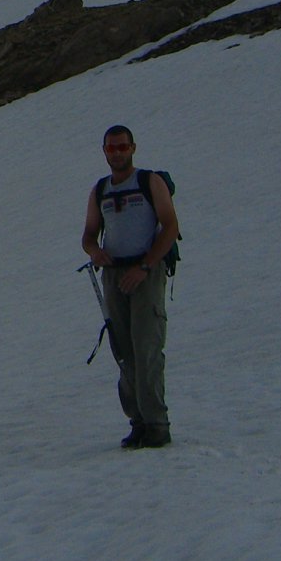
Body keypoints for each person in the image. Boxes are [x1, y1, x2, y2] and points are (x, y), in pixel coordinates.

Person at [80, 124, 178, 449]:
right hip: (114, 274)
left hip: (145, 272)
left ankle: (156, 426)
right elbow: (89, 234)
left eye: (123, 147)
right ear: (104, 151)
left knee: (146, 347)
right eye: (112, 148)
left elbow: (170, 225)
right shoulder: (100, 190)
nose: (118, 153)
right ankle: (138, 422)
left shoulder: (151, 182)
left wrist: (146, 266)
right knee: (124, 351)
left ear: (133, 148)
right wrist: (95, 252)